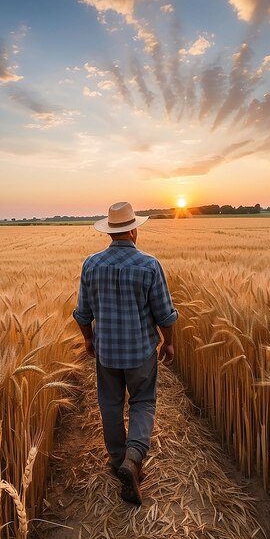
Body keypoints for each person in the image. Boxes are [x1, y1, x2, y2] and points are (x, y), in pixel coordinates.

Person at [73, 201, 178, 506]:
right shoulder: (149, 265)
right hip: (141, 352)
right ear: (133, 230)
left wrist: (90, 340)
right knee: (143, 401)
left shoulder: (91, 264)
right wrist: (168, 342)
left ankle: (118, 459)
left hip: (107, 352)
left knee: (110, 403)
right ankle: (134, 458)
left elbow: (82, 313)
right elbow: (165, 315)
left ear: (110, 231)